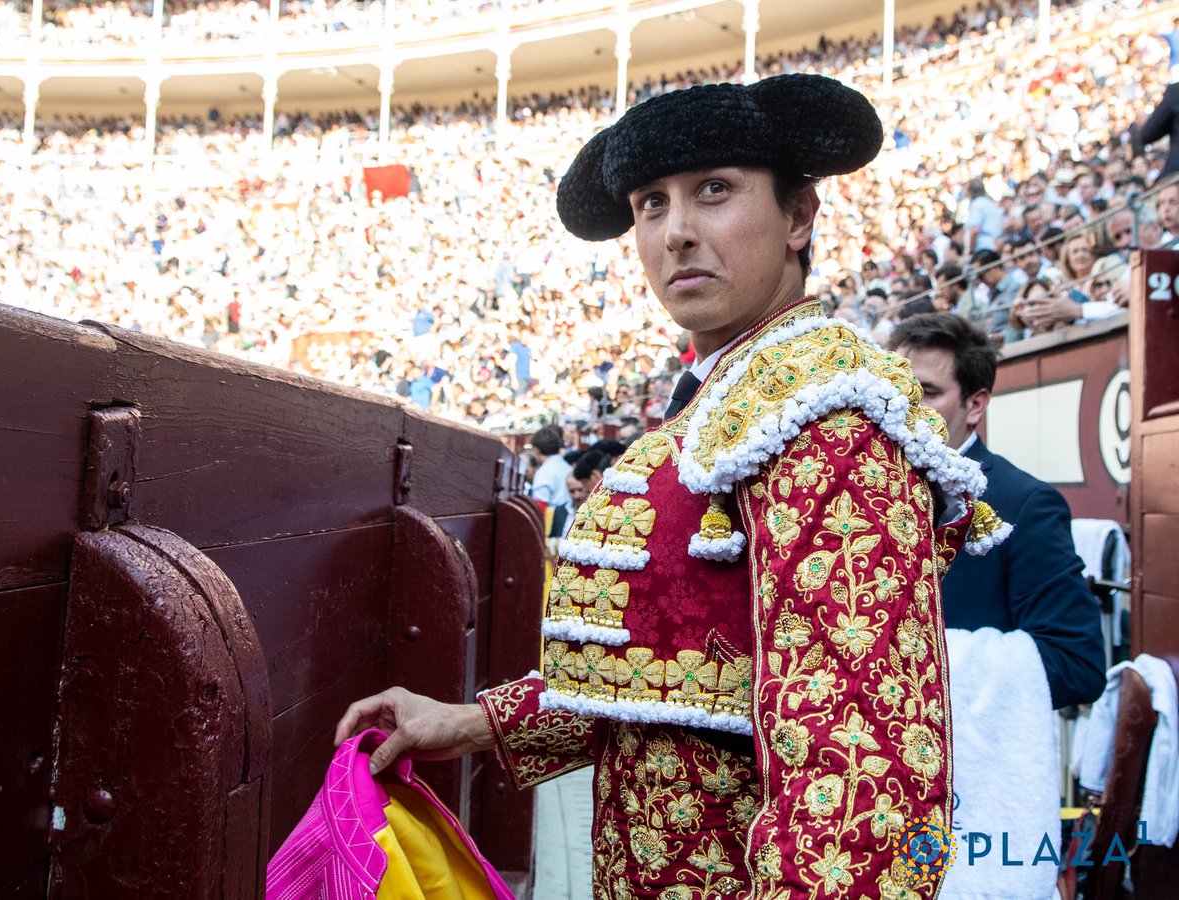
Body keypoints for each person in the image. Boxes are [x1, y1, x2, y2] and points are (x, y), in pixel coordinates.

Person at [336, 75, 1003, 899]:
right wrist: (471, 723)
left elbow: (863, 769)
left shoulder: (831, 423)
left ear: (798, 217)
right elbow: (666, 678)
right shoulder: (725, 404)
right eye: (651, 204)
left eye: (713, 191)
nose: (677, 232)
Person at [891, 313, 1105, 710]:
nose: (904, 406)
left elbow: (1077, 662)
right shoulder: (866, 486)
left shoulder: (1025, 502)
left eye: (928, 392)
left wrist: (911, 668)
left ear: (975, 405)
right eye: (896, 388)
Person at [528, 425, 572, 510]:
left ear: (536, 450)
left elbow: (540, 509)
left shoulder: (544, 472)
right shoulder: (567, 466)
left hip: (554, 521)